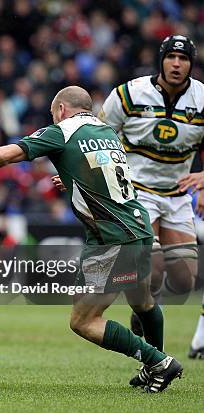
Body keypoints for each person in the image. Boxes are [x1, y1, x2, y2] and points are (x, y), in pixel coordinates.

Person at [0, 86, 183, 393]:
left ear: (61, 110)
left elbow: (3, 155)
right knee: (142, 301)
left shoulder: (63, 131)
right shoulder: (107, 132)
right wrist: (73, 177)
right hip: (140, 229)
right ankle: (155, 364)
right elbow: (106, 173)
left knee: (83, 320)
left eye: (52, 114)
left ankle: (158, 362)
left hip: (112, 238)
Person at [97, 35, 203, 358]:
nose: (176, 64)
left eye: (183, 59)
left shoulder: (202, 99)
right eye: (170, 57)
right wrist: (88, 172)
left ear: (190, 65)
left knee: (185, 280)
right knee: (152, 270)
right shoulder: (129, 94)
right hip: (136, 191)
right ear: (161, 60)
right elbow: (99, 135)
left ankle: (141, 309)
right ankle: (143, 319)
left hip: (176, 193)